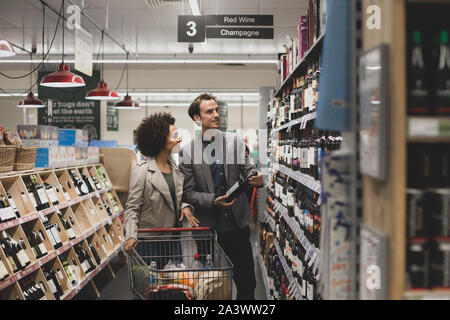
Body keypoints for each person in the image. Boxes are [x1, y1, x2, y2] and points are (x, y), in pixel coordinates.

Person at [179, 93, 264, 300]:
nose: (216, 114)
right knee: (212, 287)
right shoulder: (188, 151)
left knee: (246, 283)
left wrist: (256, 177)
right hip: (209, 229)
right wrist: (211, 200)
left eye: (217, 110)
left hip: (237, 226)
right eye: (209, 111)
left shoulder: (235, 143)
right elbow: (188, 192)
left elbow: (249, 169)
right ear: (197, 118)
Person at [123, 112, 199, 269]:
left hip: (173, 240)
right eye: (174, 135)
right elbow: (132, 208)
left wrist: (184, 205)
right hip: (149, 242)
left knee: (175, 287)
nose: (179, 139)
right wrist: (131, 236)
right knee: (150, 289)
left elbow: (175, 198)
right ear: (160, 140)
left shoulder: (175, 169)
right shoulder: (142, 171)